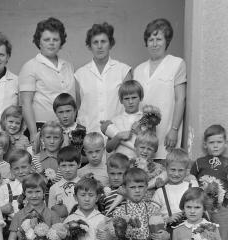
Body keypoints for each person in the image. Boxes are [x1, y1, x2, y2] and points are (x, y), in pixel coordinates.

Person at [134, 18, 186, 161]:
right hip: (143, 133)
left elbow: (180, 99)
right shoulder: (139, 69)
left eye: (159, 39)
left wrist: (174, 130)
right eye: (151, 40)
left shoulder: (176, 64)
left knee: (164, 165)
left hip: (167, 130)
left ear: (166, 41)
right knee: (143, 165)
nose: (155, 43)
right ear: (146, 42)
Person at [19, 17, 76, 143]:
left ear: (61, 42)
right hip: (42, 128)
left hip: (67, 128)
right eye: (46, 39)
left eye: (55, 39)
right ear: (39, 42)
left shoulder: (68, 66)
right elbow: (26, 103)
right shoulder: (30, 66)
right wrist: (33, 133)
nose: (51, 43)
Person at [75, 22, 131, 133]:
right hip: (89, 134)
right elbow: (78, 106)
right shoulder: (80, 74)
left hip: (117, 134)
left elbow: (130, 105)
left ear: (110, 44)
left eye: (103, 41)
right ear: (90, 46)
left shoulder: (123, 71)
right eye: (95, 42)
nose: (99, 46)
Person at [190, 124, 228, 240]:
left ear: (225, 143)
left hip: (222, 209)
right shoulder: (199, 163)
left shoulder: (227, 163)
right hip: (202, 210)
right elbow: (191, 181)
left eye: (219, 142)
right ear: (205, 144)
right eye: (212, 142)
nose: (216, 145)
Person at [102, 80, 144, 159]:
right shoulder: (115, 121)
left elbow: (152, 146)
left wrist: (139, 132)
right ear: (121, 100)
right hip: (120, 164)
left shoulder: (147, 120)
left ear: (141, 98)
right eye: (126, 98)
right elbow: (108, 149)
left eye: (134, 97)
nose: (130, 102)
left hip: (140, 163)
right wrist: (118, 137)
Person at [131, 131, 166, 199]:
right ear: (135, 147)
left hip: (151, 200)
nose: (145, 151)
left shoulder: (158, 168)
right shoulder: (129, 165)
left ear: (155, 151)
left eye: (149, 149)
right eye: (142, 147)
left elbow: (166, 176)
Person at [48, 145, 81, 213]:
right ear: (58, 166)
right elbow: (51, 212)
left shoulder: (85, 185)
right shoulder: (54, 188)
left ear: (79, 164)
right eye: (63, 165)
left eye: (71, 165)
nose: (67, 169)